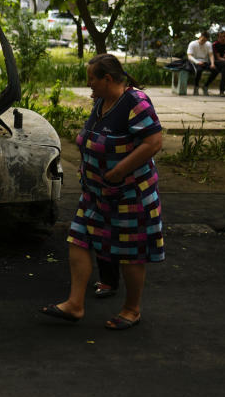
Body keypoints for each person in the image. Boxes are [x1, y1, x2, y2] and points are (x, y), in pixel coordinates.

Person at [40, 54, 164, 330]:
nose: (89, 85)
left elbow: (154, 141)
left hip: (130, 195)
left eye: (92, 79)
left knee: (130, 253)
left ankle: (132, 310)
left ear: (108, 79)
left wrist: (118, 172)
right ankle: (75, 304)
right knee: (78, 239)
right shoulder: (101, 103)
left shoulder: (136, 102)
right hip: (97, 194)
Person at [186, 31, 215, 95]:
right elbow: (189, 56)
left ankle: (206, 86)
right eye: (202, 40)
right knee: (199, 70)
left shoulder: (208, 44)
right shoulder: (193, 44)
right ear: (200, 37)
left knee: (215, 70)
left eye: (205, 40)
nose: (203, 42)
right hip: (195, 61)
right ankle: (196, 87)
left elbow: (211, 55)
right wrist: (197, 62)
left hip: (205, 62)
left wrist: (212, 63)